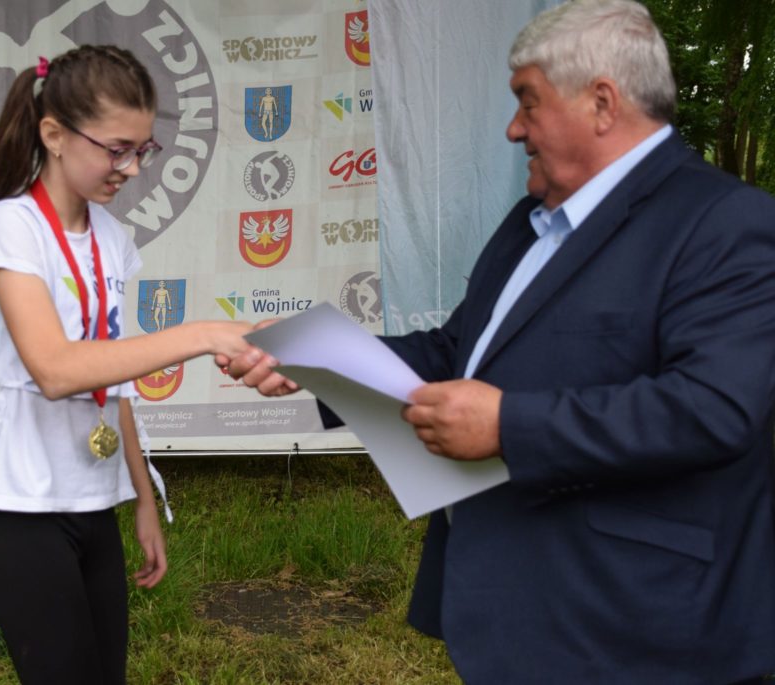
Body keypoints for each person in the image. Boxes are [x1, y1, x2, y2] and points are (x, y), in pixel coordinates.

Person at [221, 1, 775, 682]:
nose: (513, 128)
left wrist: (508, 425)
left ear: (602, 103)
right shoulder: (529, 221)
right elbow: (458, 351)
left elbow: (712, 409)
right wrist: (313, 360)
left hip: (642, 627)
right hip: (520, 612)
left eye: (528, 102)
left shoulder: (726, 222)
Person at [0, 45, 250, 685]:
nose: (132, 168)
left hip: (92, 502)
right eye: (117, 150)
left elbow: (112, 378)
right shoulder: (11, 226)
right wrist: (201, 334)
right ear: (54, 135)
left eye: (143, 150)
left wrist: (141, 496)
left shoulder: (111, 237)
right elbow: (57, 370)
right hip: (20, 507)